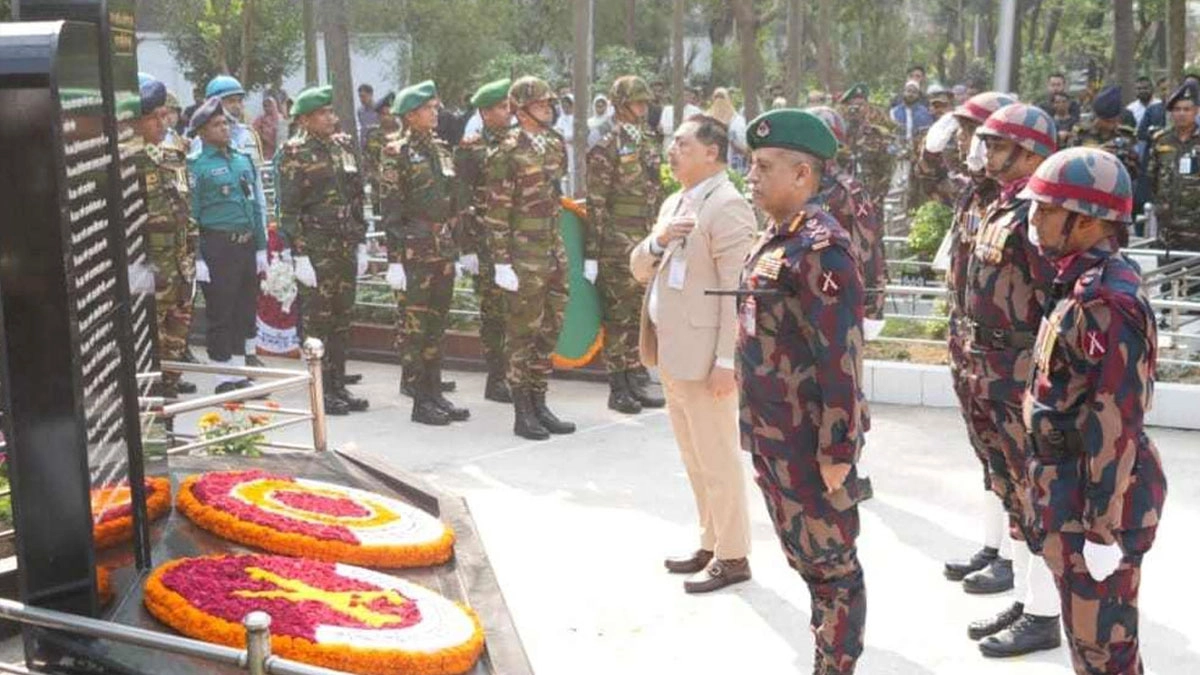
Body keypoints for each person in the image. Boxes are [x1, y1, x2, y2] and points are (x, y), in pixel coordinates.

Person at [1021, 147, 1167, 675]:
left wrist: (1101, 526)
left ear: (1086, 221)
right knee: (1087, 643)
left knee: (1106, 649)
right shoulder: (1078, 282)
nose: (1034, 220)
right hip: (1068, 490)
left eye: (1046, 211)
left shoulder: (1108, 301)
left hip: (1098, 501)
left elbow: (1116, 421)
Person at [739, 109, 870, 674]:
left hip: (807, 442)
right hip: (773, 433)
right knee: (807, 561)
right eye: (751, 164)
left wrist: (838, 452)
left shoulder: (820, 250)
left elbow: (841, 360)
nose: (751, 175)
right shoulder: (776, 238)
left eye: (764, 166)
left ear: (802, 175)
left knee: (834, 569)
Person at [629, 114, 756, 593]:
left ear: (712, 151)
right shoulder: (676, 201)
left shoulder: (727, 206)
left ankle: (734, 554)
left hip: (707, 362)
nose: (671, 150)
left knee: (718, 459)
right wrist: (659, 240)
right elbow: (640, 268)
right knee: (694, 457)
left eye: (681, 143)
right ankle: (711, 541)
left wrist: (728, 362)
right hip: (672, 353)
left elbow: (736, 293)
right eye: (672, 142)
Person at [966, 103, 1063, 658]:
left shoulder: (1038, 212)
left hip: (1021, 370)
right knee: (1010, 488)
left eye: (998, 145)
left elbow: (1054, 296)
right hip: (993, 369)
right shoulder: (1005, 204)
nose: (987, 154)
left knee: (1035, 493)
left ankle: (1045, 613)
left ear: (1029, 152)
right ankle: (1029, 600)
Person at [935, 92, 1019, 598]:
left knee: (1011, 461)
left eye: (975, 133)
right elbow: (932, 181)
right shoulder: (977, 193)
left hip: (1002, 352)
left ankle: (1013, 556)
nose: (967, 143)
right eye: (965, 133)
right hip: (969, 344)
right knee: (989, 457)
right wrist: (935, 146)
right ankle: (994, 546)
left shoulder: (1016, 200)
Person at [482, 77, 575, 440]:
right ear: (521, 110)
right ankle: (522, 411)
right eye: (540, 105)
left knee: (549, 330)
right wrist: (501, 262)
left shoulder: (553, 143)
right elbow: (496, 211)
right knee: (522, 333)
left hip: (551, 250)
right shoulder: (505, 150)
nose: (548, 110)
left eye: (549, 105)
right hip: (522, 255)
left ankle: (540, 402)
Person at [377, 81, 469, 425]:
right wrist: (394, 260)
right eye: (429, 107)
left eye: (435, 106)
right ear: (411, 114)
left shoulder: (442, 149)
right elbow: (391, 209)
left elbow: (453, 203)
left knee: (436, 326)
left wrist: (456, 251)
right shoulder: (395, 152)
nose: (436, 111)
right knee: (415, 329)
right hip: (414, 251)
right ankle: (420, 401)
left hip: (441, 248)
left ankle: (435, 393)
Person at [276, 85, 371, 416]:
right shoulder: (294, 153)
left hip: (345, 244)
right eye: (323, 113)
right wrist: (299, 254)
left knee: (342, 319)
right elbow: (289, 209)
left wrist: (362, 241)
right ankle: (320, 390)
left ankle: (338, 384)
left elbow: (357, 196)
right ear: (304, 119)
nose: (331, 118)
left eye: (331, 111)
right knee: (319, 320)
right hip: (317, 248)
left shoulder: (343, 146)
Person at [586, 76, 668, 415]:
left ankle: (636, 376)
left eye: (645, 102)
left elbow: (655, 187)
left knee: (638, 313)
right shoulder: (606, 144)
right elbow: (597, 200)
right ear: (621, 105)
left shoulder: (647, 139)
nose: (643, 108)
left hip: (644, 239)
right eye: (637, 103)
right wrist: (593, 252)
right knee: (618, 316)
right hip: (616, 241)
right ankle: (617, 385)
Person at [187, 98, 267, 393]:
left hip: (245, 244)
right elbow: (191, 214)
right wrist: (197, 257)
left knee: (244, 311)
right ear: (202, 133)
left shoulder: (241, 160)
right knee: (221, 312)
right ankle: (223, 377)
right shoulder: (196, 166)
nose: (225, 129)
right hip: (217, 246)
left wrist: (261, 248)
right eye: (217, 125)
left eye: (225, 124)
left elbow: (254, 207)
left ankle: (238, 371)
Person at [133, 75, 197, 398]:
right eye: (153, 117)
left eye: (164, 115)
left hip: (179, 274)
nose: (162, 123)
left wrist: (193, 259)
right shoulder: (125, 161)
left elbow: (185, 212)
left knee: (173, 355)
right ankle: (154, 432)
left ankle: (168, 424)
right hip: (148, 279)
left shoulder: (173, 156)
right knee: (148, 358)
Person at [456, 78, 514, 404]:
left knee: (515, 311)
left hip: (514, 240)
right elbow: (462, 200)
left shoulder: (517, 143)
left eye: (508, 106)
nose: (508, 112)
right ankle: (496, 379)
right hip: (485, 241)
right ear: (485, 112)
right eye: (502, 107)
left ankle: (513, 374)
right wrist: (466, 248)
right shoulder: (471, 147)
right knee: (494, 313)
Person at [808, 106, 887, 331]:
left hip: (835, 303)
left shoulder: (847, 192)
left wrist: (872, 308)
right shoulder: (790, 184)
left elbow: (869, 251)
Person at [1148, 82, 1200, 251]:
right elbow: (1152, 176)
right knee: (1165, 274)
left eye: (1186, 109)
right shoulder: (1161, 140)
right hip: (1168, 225)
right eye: (1177, 110)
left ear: (1196, 111)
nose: (1181, 114)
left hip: (1196, 224)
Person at [839, 84, 895, 212]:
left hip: (870, 199)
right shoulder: (837, 135)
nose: (855, 109)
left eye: (860, 105)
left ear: (867, 108)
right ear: (844, 108)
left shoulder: (879, 135)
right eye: (851, 105)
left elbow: (887, 170)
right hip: (840, 201)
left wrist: (877, 198)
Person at [1071, 85, 1140, 183]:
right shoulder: (1081, 133)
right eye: (1108, 122)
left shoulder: (1126, 135)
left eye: (1115, 121)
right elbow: (1069, 162)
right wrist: (1096, 154)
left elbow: (1135, 171)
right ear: (1097, 117)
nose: (1112, 126)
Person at [361, 91, 397, 203]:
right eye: (383, 114)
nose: (387, 118)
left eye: (390, 114)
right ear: (378, 115)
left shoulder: (404, 135)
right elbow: (367, 162)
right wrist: (376, 179)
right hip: (379, 190)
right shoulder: (372, 136)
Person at [708, 87, 748, 173]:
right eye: (716, 97)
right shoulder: (707, 120)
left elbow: (745, 148)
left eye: (722, 97)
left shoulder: (738, 122)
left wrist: (732, 141)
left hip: (736, 168)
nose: (719, 101)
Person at [890, 80, 934, 147]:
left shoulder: (926, 113)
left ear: (918, 95)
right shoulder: (894, 112)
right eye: (908, 91)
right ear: (904, 92)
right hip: (898, 149)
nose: (911, 94)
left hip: (919, 149)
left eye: (914, 92)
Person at [253, 96, 284, 161]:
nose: (267, 108)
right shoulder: (260, 119)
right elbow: (254, 132)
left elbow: (282, 137)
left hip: (278, 151)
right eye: (265, 106)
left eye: (269, 106)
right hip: (264, 153)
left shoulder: (280, 119)